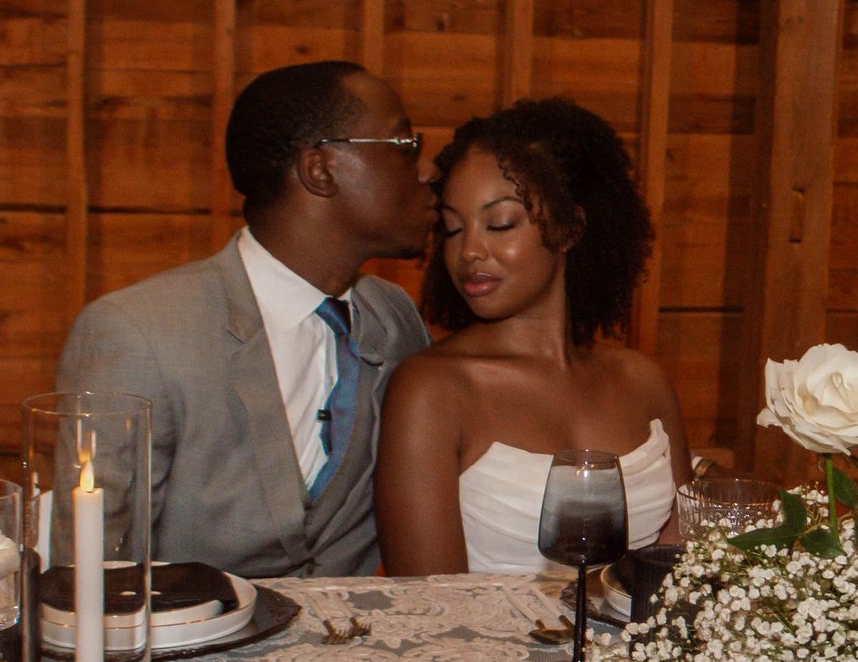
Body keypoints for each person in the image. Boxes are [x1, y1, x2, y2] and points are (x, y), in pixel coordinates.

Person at [55, 61, 433, 578]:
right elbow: (93, 568)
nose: (426, 170)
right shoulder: (139, 332)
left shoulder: (393, 318)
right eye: (404, 145)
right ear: (320, 169)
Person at [375, 98, 689, 574]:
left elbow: (680, 565)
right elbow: (426, 601)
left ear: (568, 228)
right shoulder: (431, 390)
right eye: (453, 229)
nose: (470, 251)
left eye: (499, 224)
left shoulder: (643, 380)